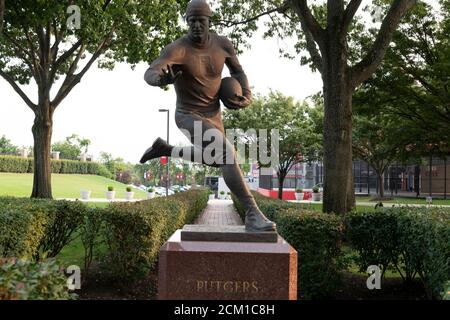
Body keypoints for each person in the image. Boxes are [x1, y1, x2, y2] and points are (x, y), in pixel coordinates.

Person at [140, 0, 276, 232]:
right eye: (191, 21)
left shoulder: (223, 45)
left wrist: (247, 95)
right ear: (187, 22)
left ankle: (166, 149)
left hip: (213, 115)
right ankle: (253, 213)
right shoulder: (178, 49)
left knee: (217, 159)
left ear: (209, 21)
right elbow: (151, 71)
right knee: (226, 154)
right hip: (187, 115)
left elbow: (238, 71)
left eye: (200, 21)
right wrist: (161, 79)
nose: (196, 26)